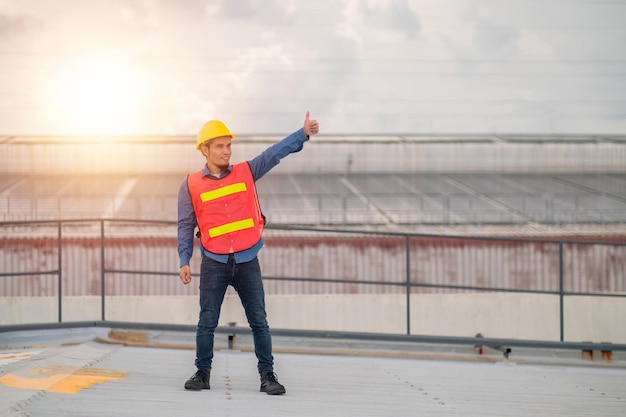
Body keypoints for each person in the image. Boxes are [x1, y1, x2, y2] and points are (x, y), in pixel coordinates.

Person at [177, 112, 320, 395]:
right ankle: (202, 374)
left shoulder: (246, 171)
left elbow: (274, 153)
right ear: (204, 149)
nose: (226, 151)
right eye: (219, 146)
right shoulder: (190, 184)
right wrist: (184, 260)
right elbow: (185, 225)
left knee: (259, 320)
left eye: (228, 145)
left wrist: (301, 133)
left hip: (247, 259)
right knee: (207, 321)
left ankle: (267, 376)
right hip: (213, 261)